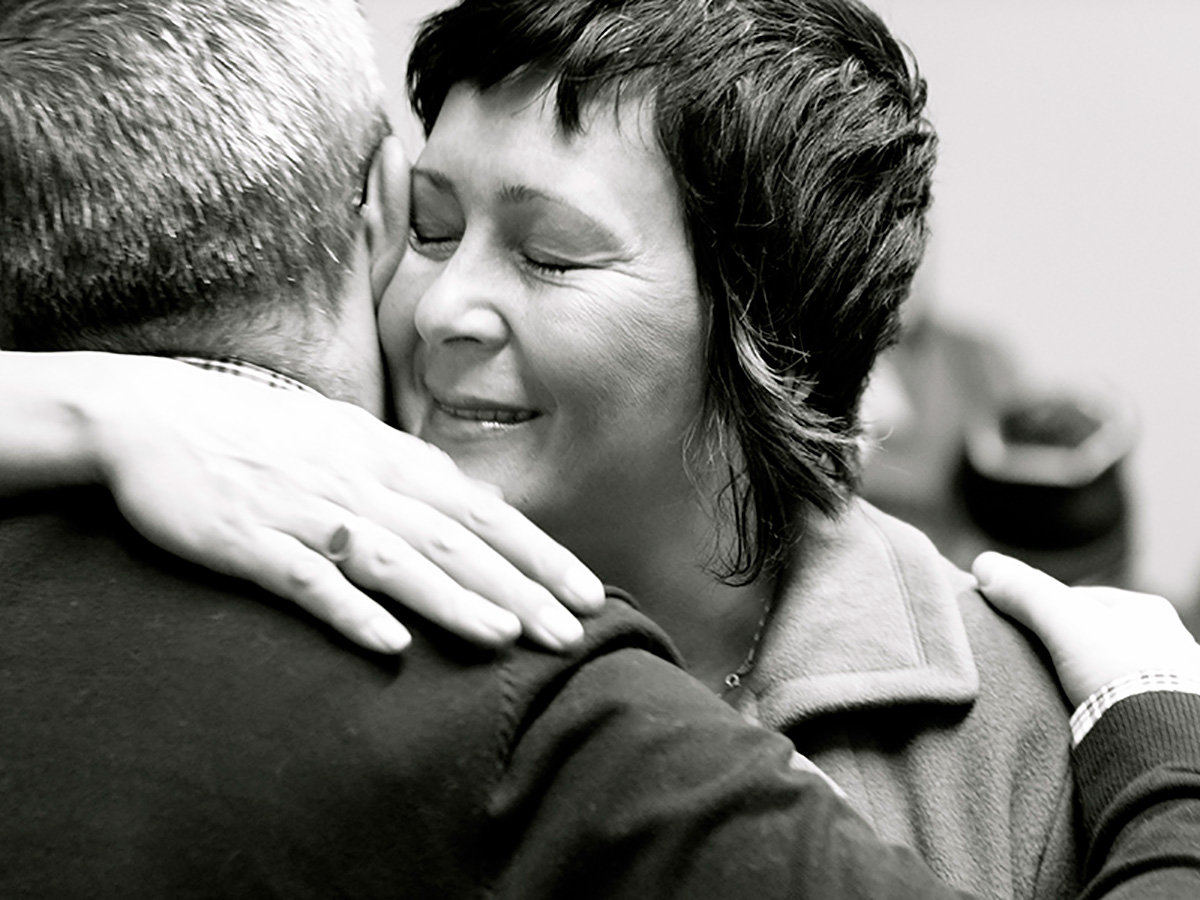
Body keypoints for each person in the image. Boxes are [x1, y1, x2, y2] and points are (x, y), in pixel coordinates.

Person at [2, 0, 1200, 897]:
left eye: (549, 256)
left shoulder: (1025, 723)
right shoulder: (269, 580)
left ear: (765, 325)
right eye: (430, 229)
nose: (442, 308)